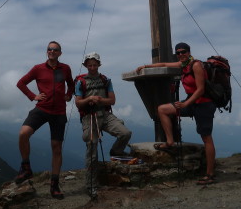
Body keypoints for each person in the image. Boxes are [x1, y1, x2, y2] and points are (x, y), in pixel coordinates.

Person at [136, 42, 217, 185]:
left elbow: (200, 90)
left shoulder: (196, 65)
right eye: (178, 52)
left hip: (203, 104)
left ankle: (210, 174)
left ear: (189, 51)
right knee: (162, 109)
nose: (180, 54)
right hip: (191, 102)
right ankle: (170, 141)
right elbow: (165, 64)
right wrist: (146, 66)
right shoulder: (183, 64)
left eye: (183, 52)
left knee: (206, 138)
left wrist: (186, 104)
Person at [15, 40, 74, 199]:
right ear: (46, 52)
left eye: (55, 50)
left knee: (56, 148)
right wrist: (33, 96)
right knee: (23, 133)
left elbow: (71, 84)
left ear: (60, 53)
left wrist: (69, 94)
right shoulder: (38, 68)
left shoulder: (66, 68)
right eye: (49, 49)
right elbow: (21, 83)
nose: (52, 51)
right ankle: (26, 167)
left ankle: (54, 185)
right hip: (42, 108)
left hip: (59, 111)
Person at [74, 52, 132, 199]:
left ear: (99, 65)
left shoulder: (106, 80)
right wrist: (89, 100)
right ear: (86, 65)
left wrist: (99, 100)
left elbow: (112, 101)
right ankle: (91, 185)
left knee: (125, 133)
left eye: (94, 64)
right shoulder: (80, 81)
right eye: (89, 65)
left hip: (104, 114)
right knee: (92, 148)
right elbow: (78, 103)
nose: (92, 67)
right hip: (89, 116)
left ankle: (116, 151)